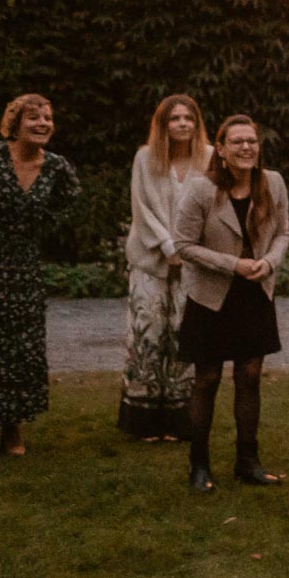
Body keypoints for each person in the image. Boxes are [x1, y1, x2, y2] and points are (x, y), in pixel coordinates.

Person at [0, 93, 80, 458]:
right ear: (15, 123)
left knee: (21, 349)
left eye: (48, 118)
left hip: (25, 267)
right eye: (33, 118)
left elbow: (69, 202)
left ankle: (12, 427)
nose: (42, 124)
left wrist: (38, 229)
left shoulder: (57, 167)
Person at [173, 115, 289, 494]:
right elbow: (182, 244)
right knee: (206, 379)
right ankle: (199, 464)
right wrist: (231, 264)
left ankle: (248, 460)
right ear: (220, 150)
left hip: (255, 293)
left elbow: (285, 232)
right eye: (237, 142)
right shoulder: (202, 189)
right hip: (211, 296)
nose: (246, 148)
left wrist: (269, 262)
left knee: (250, 377)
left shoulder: (272, 183)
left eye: (252, 141)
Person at [120, 94, 211, 441]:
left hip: (195, 259)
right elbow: (141, 206)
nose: (183, 124)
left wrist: (187, 247)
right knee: (148, 335)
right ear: (163, 124)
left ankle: (179, 420)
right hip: (150, 258)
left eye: (189, 118)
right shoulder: (145, 157)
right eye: (175, 119)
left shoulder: (210, 159)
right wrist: (167, 244)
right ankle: (143, 420)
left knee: (184, 334)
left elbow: (212, 207)